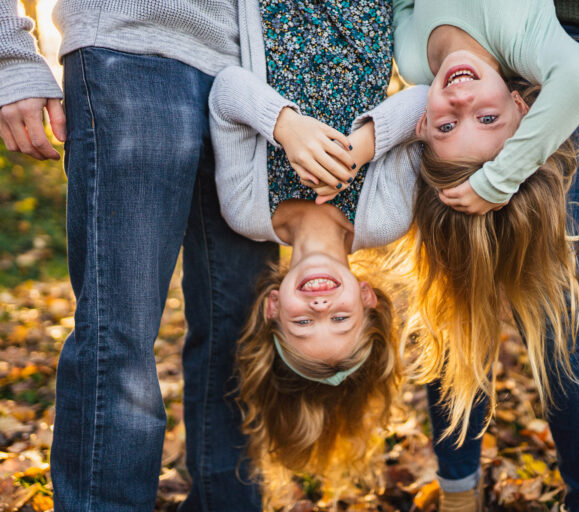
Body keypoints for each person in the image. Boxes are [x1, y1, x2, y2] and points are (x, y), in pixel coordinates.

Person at [0, 1, 275, 510]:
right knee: (119, 337)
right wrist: (9, 54)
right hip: (128, 48)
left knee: (242, 335)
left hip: (250, 77)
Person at [394, 0, 579, 510]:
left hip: (576, 44)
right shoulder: (433, 66)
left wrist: (498, 179)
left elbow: (577, 78)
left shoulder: (439, 65)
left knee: (558, 315)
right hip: (489, 67)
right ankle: (459, 494)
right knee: (455, 299)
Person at [207, 1, 428, 476]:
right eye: (341, 319)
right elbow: (426, 103)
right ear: (367, 299)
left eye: (303, 324)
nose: (321, 308)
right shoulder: (385, 217)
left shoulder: (245, 210)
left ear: (273, 307)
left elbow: (226, 91)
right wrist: (358, 150)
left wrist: (286, 128)